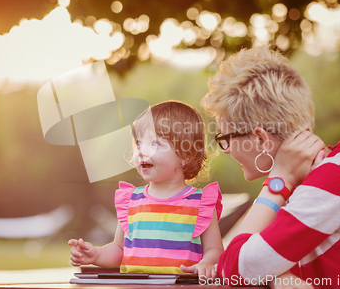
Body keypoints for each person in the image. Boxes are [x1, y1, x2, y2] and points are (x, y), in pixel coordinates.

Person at [201, 46, 340, 289]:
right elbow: (240, 261)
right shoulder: (324, 177)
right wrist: (277, 275)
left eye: (226, 138)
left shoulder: (334, 180)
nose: (225, 150)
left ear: (261, 139)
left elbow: (233, 270)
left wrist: (277, 181)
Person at [69, 100, 224, 279]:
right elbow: (119, 249)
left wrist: (206, 263)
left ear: (186, 155)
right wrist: (96, 254)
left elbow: (215, 250)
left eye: (155, 144)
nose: (142, 151)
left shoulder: (201, 204)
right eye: (139, 143)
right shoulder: (131, 201)